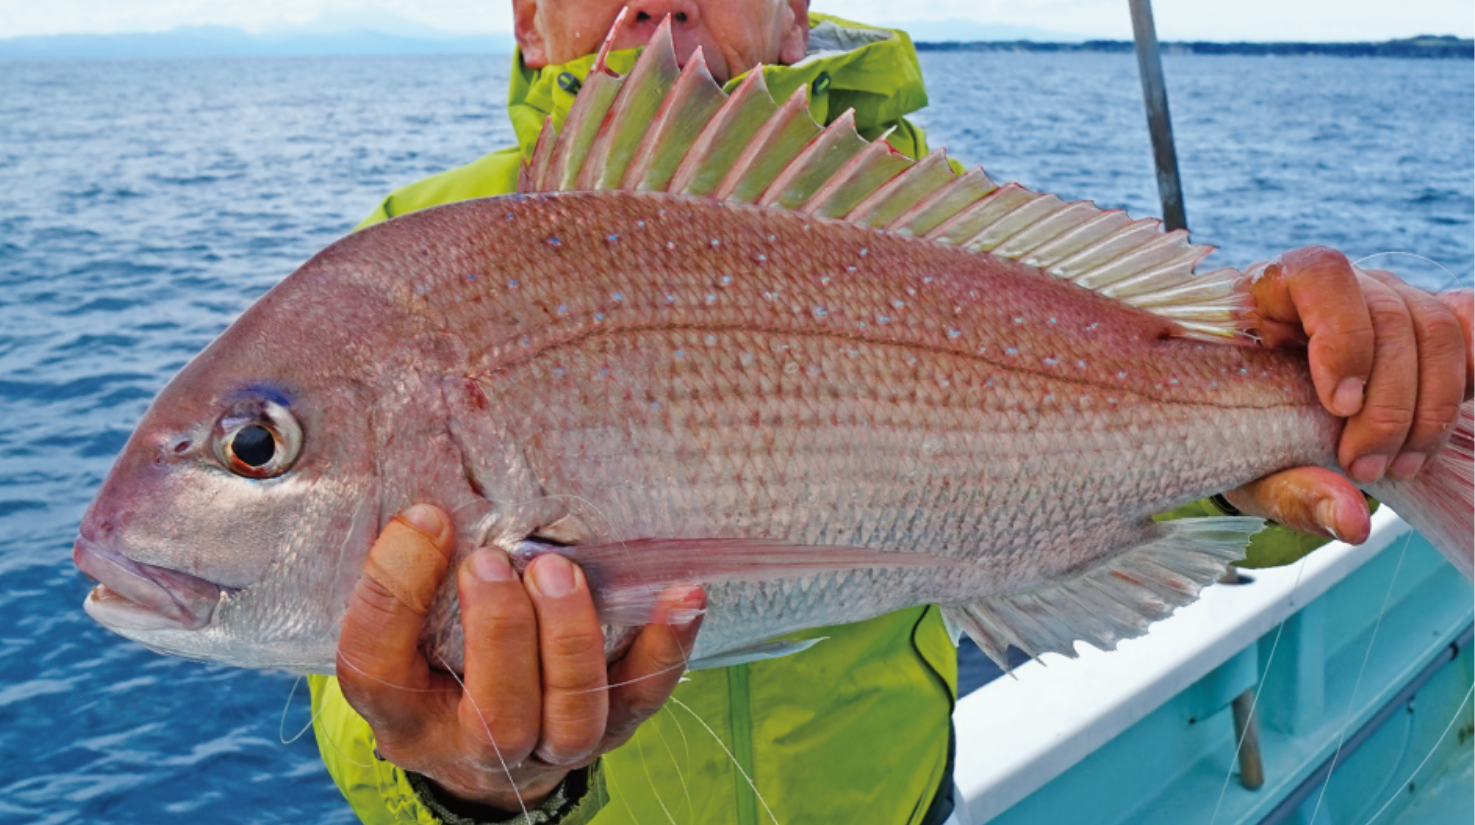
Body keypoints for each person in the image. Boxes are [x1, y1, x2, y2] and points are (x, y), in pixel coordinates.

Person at [307, 2, 1475, 824]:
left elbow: (1230, 498)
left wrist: (1323, 393)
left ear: (796, 17)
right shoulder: (400, 278)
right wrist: (462, 780)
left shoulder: (920, 227)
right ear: (524, 19)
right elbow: (340, 663)